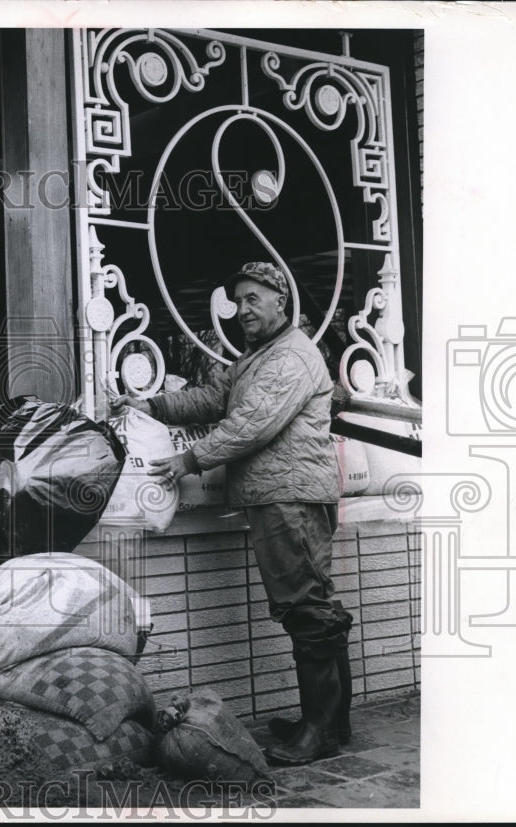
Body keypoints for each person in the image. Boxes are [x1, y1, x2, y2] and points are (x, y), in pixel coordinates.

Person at [112, 261, 353, 766]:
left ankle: (321, 730)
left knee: (307, 610)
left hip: (291, 499)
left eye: (253, 299)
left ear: (280, 301)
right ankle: (330, 721)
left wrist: (187, 461)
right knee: (312, 608)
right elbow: (216, 398)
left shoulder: (292, 356)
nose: (241, 310)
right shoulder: (256, 356)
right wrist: (152, 407)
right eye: (237, 300)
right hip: (276, 498)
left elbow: (251, 425)